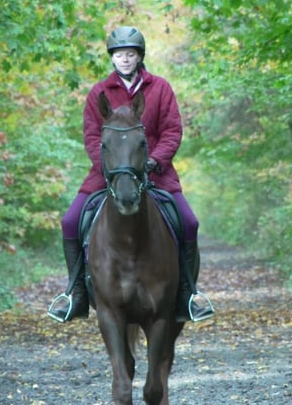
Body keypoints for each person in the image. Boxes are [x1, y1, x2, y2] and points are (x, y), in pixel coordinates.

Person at [48, 26, 215, 324]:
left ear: (139, 57)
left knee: (189, 222)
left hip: (155, 173)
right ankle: (75, 294)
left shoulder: (161, 88)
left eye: (130, 54)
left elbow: (172, 131)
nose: (125, 59)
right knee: (70, 221)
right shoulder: (98, 93)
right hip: (109, 175)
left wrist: (154, 161)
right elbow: (91, 136)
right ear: (112, 58)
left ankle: (188, 293)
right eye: (119, 54)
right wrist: (111, 170)